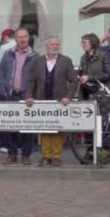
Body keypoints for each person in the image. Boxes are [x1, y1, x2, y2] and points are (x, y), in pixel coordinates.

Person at [27, 36, 76, 167]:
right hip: (42, 99)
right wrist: (29, 96)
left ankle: (55, 156)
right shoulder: (38, 61)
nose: (54, 47)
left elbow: (73, 81)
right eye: (52, 44)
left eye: (56, 45)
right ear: (46, 46)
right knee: (44, 128)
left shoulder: (66, 61)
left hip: (60, 101)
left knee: (57, 128)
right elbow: (31, 81)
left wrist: (68, 97)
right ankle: (46, 155)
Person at [0, 28, 38, 165]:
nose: (22, 39)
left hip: (27, 97)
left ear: (28, 38)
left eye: (25, 36)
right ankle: (12, 154)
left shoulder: (35, 56)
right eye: (19, 37)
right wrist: (3, 91)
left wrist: (32, 94)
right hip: (10, 95)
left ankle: (26, 155)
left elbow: (38, 78)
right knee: (9, 127)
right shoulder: (8, 54)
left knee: (28, 127)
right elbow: (1, 73)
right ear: (16, 38)